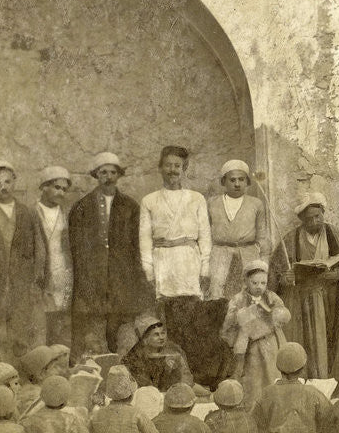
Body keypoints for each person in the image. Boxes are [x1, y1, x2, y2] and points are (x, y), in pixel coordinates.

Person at [268, 192, 339, 380]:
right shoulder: (291, 239)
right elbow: (276, 276)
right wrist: (287, 277)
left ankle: (329, 379)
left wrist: (336, 274)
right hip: (301, 301)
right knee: (305, 342)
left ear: (323, 213)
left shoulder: (334, 235)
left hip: (330, 300)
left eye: (318, 216)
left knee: (327, 342)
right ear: (302, 220)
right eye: (309, 219)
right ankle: (304, 377)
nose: (315, 221)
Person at [69, 152, 152, 356]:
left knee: (117, 323)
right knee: (93, 323)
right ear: (96, 175)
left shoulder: (130, 206)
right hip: (92, 275)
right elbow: (76, 246)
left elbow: (136, 245)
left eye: (113, 172)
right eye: (103, 172)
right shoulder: (82, 206)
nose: (108, 176)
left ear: (119, 175)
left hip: (120, 275)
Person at [0, 163, 46, 363]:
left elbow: (39, 247)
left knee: (21, 328)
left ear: (14, 183)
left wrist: (36, 279)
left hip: (21, 281)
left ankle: (21, 376)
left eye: (7, 182)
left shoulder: (27, 213)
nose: (3, 187)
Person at [140, 146, 212, 356]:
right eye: (168, 165)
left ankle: (191, 365)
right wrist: (149, 271)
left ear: (184, 168)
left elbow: (204, 235)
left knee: (191, 314)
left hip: (189, 262)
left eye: (177, 166)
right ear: (160, 168)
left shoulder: (196, 198)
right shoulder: (149, 200)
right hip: (163, 261)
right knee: (166, 316)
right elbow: (144, 239)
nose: (173, 170)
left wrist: (205, 268)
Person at [218, 260, 291, 409]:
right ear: (246, 281)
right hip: (250, 347)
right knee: (253, 379)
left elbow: (284, 314)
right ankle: (252, 408)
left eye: (263, 283)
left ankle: (273, 407)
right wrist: (246, 315)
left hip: (271, 344)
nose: (259, 287)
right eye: (255, 283)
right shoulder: (238, 299)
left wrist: (273, 315)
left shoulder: (271, 297)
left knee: (272, 375)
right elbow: (229, 322)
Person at [253, 343, 334, 433]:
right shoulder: (314, 393)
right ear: (302, 368)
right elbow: (329, 426)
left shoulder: (266, 394)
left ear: (278, 367)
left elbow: (255, 428)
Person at [207, 159, 271, 300]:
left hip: (248, 255)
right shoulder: (212, 203)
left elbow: (262, 237)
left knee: (247, 296)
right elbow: (206, 234)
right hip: (220, 256)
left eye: (241, 179)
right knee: (218, 295)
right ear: (224, 181)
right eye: (232, 180)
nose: (237, 184)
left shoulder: (256, 204)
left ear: (247, 182)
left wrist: (263, 263)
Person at [33, 166, 74, 349]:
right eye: (56, 187)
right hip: (41, 274)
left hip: (63, 272)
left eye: (64, 189)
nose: (60, 192)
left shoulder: (66, 214)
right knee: (40, 324)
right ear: (44, 187)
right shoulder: (31, 213)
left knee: (61, 323)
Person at [122, 314, 195, 392]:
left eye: (163, 333)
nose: (161, 337)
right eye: (156, 334)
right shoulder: (133, 358)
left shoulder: (174, 352)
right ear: (145, 339)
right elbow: (144, 386)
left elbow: (186, 379)